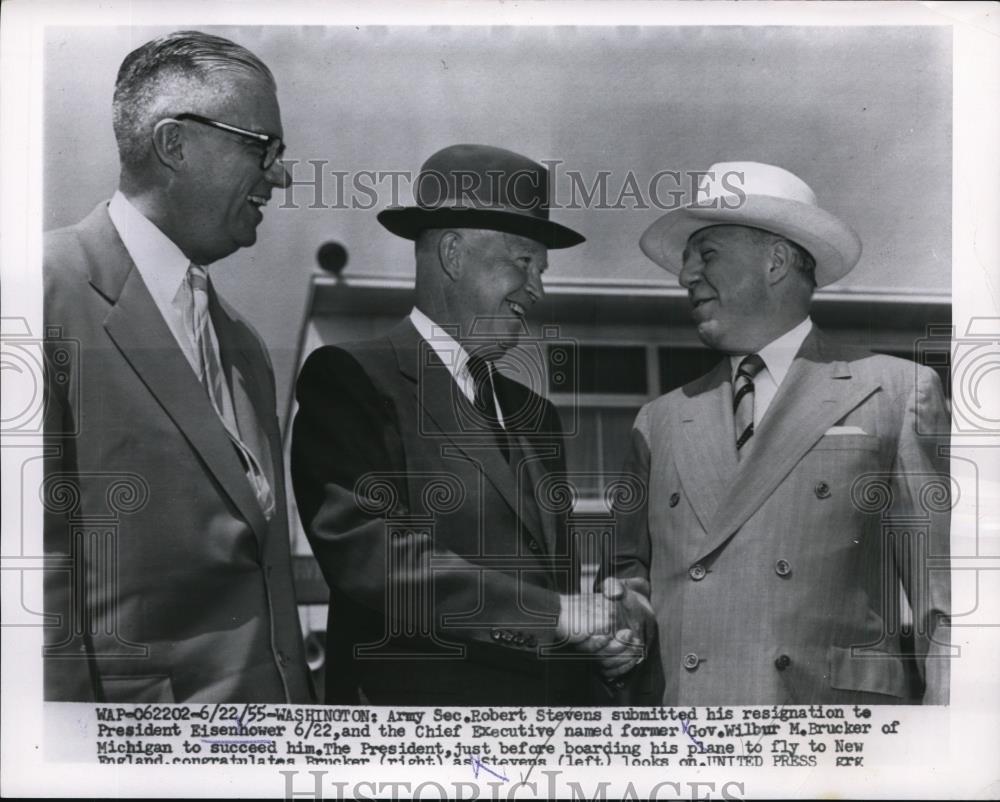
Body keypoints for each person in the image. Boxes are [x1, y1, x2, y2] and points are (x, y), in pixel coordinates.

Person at [291, 144, 649, 705]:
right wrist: (555, 613)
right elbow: (374, 558)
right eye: (524, 262)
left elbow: (552, 599)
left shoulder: (538, 418)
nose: (538, 289)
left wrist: (600, 648)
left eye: (542, 270)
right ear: (453, 254)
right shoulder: (353, 378)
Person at [609, 161, 951, 705]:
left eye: (707, 254)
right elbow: (633, 585)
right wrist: (624, 616)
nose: (685, 275)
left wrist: (945, 751)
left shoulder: (897, 390)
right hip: (691, 748)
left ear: (776, 261)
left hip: (836, 751)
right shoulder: (659, 421)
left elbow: (946, 605)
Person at [43, 31, 311, 703]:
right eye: (263, 147)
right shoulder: (40, 291)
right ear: (174, 143)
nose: (281, 175)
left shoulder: (243, 344)